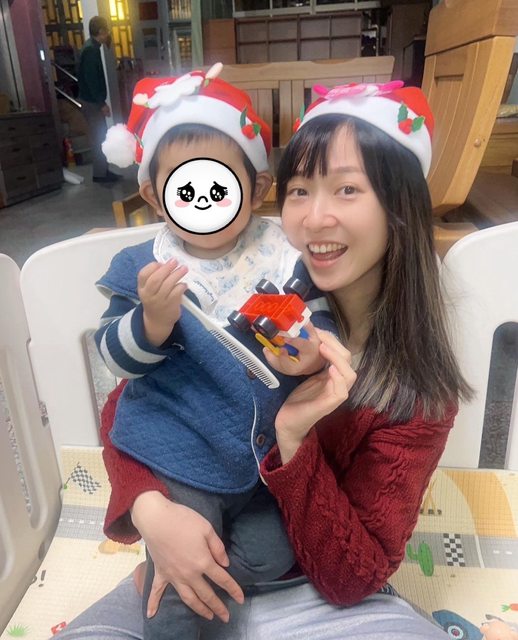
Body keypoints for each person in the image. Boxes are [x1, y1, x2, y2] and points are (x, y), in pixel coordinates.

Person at [55, 80, 473, 640]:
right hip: (184, 559)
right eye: (301, 190)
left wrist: (294, 439)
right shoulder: (246, 295)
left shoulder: (413, 396)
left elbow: (353, 577)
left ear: (401, 207)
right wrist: (153, 513)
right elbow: (129, 404)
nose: (314, 218)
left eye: (347, 189)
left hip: (316, 590)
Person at [96, 65, 336, 640]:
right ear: (155, 196)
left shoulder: (282, 255)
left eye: (219, 187)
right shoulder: (144, 266)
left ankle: (177, 569)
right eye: (186, 190)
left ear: (256, 188)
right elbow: (113, 357)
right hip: (178, 453)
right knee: (183, 585)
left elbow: (321, 322)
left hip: (255, 463)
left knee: (273, 553)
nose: (203, 202)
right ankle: (174, 595)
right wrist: (152, 324)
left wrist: (313, 353)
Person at [78, 16, 120, 183]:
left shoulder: (91, 47)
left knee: (100, 136)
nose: (108, 34)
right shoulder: (91, 50)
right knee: (99, 138)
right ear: (101, 31)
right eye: (106, 30)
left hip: (91, 100)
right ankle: (100, 174)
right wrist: (101, 103)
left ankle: (103, 171)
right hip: (92, 102)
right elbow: (92, 80)